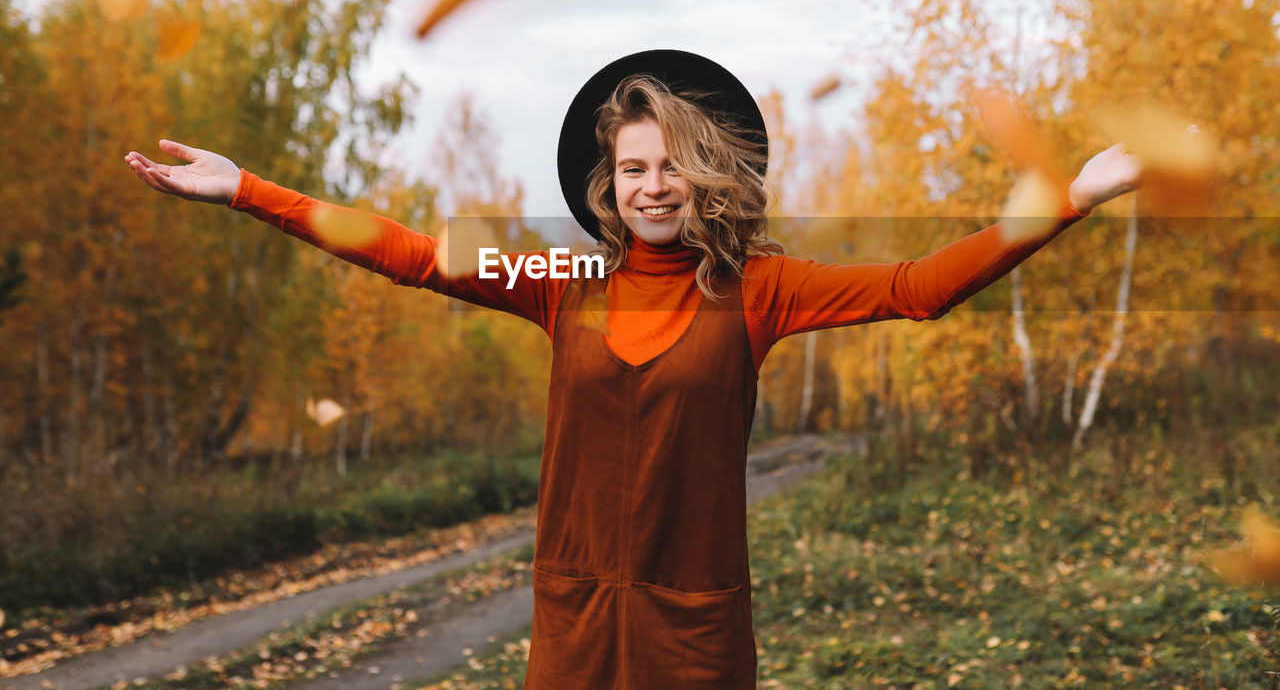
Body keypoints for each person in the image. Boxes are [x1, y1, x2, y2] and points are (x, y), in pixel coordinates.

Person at [125, 49, 1141, 689]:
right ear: (609, 183)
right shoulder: (564, 276)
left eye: (673, 164)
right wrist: (248, 189)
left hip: (693, 631)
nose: (654, 185)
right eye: (634, 167)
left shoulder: (763, 286)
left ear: (706, 176)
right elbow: (408, 252)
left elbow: (920, 284)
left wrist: (1064, 201)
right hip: (573, 623)